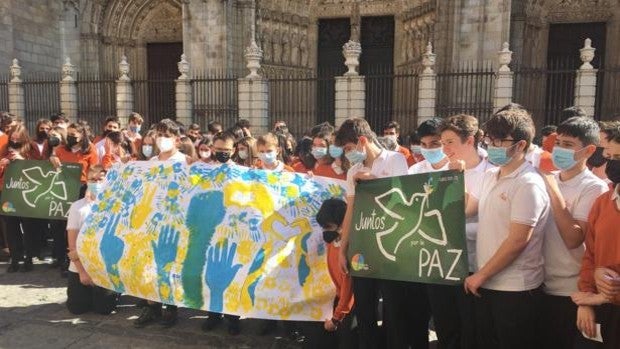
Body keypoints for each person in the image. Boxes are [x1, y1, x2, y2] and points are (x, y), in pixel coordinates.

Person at [464, 108, 550, 349]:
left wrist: (481, 275)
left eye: (500, 140)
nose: (492, 145)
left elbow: (517, 241)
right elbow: (467, 208)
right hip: (485, 283)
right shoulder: (489, 175)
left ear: (521, 145)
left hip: (515, 289)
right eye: (489, 139)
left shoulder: (529, 184)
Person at [334, 118, 411, 349]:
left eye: (349, 149)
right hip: (363, 246)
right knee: (365, 309)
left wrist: (374, 182)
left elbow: (404, 202)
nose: (348, 155)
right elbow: (350, 210)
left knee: (393, 310)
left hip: (390, 246)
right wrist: (343, 248)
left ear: (362, 141)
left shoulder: (396, 160)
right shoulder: (354, 171)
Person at [538, 116, 608, 349]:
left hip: (571, 293)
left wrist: (555, 193)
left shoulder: (593, 187)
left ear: (588, 150)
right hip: (539, 286)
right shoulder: (546, 179)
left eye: (568, 145)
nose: (559, 150)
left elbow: (574, 238)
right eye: (558, 142)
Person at [428, 114, 494, 349]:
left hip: (477, 266)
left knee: (472, 328)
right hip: (443, 262)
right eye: (443, 142)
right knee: (446, 326)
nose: (445, 149)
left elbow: (468, 212)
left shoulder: (491, 171)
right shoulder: (442, 171)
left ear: (470, 140)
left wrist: (459, 178)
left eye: (450, 142)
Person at [134, 119, 191, 328]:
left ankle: (171, 307)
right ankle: (152, 306)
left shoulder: (187, 162)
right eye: (159, 135)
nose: (161, 139)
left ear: (177, 139)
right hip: (151, 222)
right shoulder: (151, 162)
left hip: (175, 223)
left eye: (166, 135)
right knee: (149, 264)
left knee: (170, 264)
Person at [574, 123, 620, 349]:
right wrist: (587, 299)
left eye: (618, 156)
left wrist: (605, 296)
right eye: (609, 156)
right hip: (603, 311)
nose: (612, 163)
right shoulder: (603, 202)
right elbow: (590, 254)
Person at [199, 132, 242, 335]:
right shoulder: (204, 170)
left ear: (233, 151)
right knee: (209, 273)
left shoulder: (242, 173)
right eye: (219, 150)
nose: (223, 153)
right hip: (209, 230)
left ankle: (233, 318)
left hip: (232, 232)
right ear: (213, 148)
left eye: (227, 150)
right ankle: (213, 315)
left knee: (230, 273)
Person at [66, 165, 119, 315]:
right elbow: (72, 245)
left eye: (100, 179)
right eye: (92, 179)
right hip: (80, 265)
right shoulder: (77, 207)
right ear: (86, 181)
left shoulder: (114, 206)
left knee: (104, 309)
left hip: (103, 268)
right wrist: (82, 272)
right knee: (77, 309)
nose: (96, 183)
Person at [302, 198, 355, 349]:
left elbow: (349, 291)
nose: (325, 232)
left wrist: (336, 319)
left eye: (329, 227)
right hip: (337, 301)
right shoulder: (333, 243)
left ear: (343, 224)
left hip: (348, 309)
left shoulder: (349, 252)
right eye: (323, 227)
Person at [50, 121, 98, 275]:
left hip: (82, 189)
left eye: (73, 135)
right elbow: (52, 167)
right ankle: (61, 258)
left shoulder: (90, 149)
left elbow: (94, 170)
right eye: (68, 135)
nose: (69, 138)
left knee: (77, 226)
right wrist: (52, 160)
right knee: (60, 225)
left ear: (82, 135)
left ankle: (76, 260)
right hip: (62, 190)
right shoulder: (61, 149)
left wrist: (90, 190)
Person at [2, 125, 35, 272]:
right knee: (11, 227)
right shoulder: (4, 149)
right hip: (8, 193)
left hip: (25, 193)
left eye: (17, 138)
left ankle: (29, 258)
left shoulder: (30, 149)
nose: (14, 141)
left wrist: (21, 160)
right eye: (12, 138)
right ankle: (15, 258)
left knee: (28, 227)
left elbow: (38, 169)